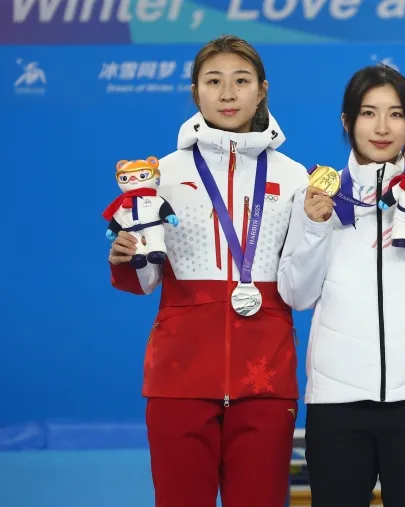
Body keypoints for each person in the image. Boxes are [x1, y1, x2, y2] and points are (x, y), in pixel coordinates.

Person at [106, 35, 309, 507]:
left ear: (262, 90)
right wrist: (125, 256)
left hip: (266, 378)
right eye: (213, 81)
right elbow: (146, 278)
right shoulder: (161, 174)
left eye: (241, 81)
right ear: (195, 91)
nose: (227, 93)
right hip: (179, 377)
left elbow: (303, 276)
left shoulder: (295, 175)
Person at [277, 65, 405, 507]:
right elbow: (296, 294)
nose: (383, 128)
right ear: (347, 122)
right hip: (336, 403)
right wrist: (313, 227)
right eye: (369, 113)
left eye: (396, 114)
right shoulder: (315, 197)